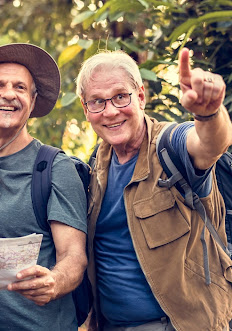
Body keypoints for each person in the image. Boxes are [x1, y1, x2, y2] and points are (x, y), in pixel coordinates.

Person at [76, 48, 232, 331]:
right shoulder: (95, 167)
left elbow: (209, 145)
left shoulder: (170, 145)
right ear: (86, 110)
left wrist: (209, 115)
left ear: (141, 96)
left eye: (120, 96)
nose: (110, 111)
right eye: (97, 102)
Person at [0, 43, 88, 330]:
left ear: (32, 102)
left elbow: (74, 257)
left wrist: (54, 281)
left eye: (20, 87)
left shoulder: (56, 168)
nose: (9, 94)